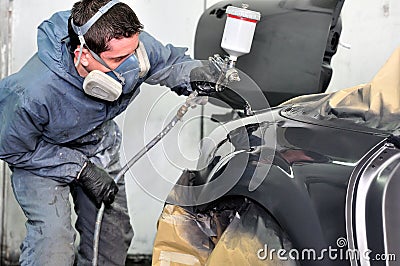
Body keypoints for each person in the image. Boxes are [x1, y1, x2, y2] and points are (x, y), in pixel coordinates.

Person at [0, 0, 211, 265]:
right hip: (41, 157)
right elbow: (13, 148)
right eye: (119, 60)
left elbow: (168, 62)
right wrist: (81, 170)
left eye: (134, 51)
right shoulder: (32, 91)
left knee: (111, 240)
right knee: (52, 248)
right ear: (84, 54)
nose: (132, 66)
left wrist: (196, 74)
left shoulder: (126, 44)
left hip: (97, 144)